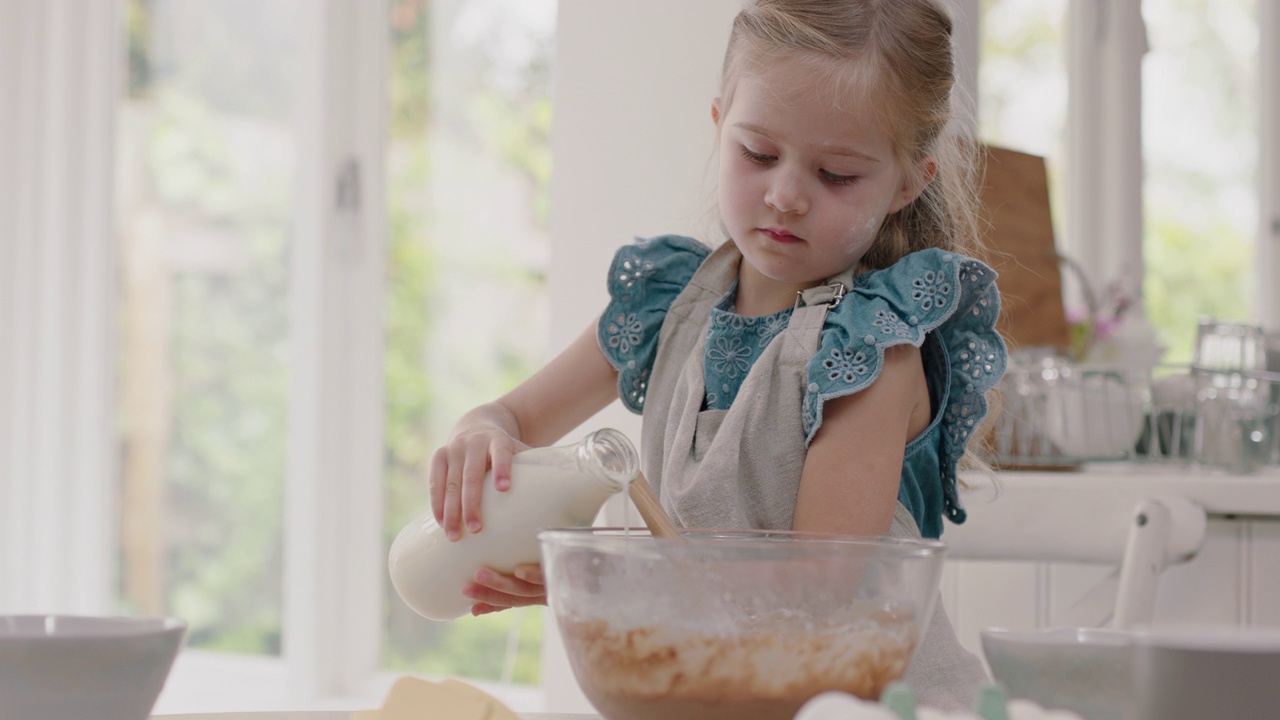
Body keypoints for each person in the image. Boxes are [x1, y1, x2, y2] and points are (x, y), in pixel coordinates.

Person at [428, 0, 1006, 710]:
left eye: (837, 175)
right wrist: (479, 434)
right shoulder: (667, 306)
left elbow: (815, 595)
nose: (787, 194)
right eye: (758, 154)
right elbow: (511, 415)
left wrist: (605, 579)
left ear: (910, 182)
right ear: (718, 123)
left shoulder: (871, 352)